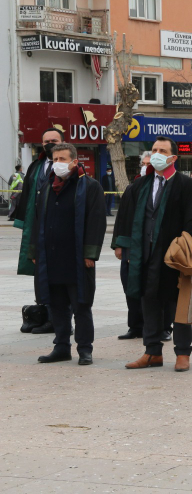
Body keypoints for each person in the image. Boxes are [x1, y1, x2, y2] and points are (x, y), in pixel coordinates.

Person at [115, 137, 192, 372]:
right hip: (145, 254)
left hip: (174, 256)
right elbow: (127, 215)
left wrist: (191, 249)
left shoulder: (184, 184)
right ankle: (152, 352)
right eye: (154, 150)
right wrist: (122, 245)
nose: (156, 154)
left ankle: (182, 353)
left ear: (173, 157)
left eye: (162, 151)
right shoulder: (140, 185)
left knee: (178, 305)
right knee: (149, 302)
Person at [31, 143, 106, 364]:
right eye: (55, 159)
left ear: (74, 161)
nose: (58, 164)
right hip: (51, 257)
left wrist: (90, 253)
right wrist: (34, 250)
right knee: (56, 306)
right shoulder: (46, 186)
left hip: (76, 258)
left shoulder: (90, 187)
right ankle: (61, 347)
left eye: (63, 159)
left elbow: (97, 222)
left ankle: (85, 349)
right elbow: (36, 221)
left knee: (81, 305)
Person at [11, 128, 67, 335]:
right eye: (46, 141)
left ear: (63, 141)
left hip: (59, 227)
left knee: (59, 275)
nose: (49, 143)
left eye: (54, 140)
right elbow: (27, 193)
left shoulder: (68, 166)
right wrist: (23, 222)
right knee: (40, 273)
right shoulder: (36, 165)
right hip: (38, 227)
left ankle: (60, 320)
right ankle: (47, 316)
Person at [114, 152, 153, 340]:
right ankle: (135, 326)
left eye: (149, 163)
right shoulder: (133, 188)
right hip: (131, 247)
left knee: (154, 290)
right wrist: (119, 245)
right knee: (130, 286)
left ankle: (160, 327)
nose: (145, 167)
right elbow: (122, 217)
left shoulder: (164, 187)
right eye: (143, 163)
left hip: (153, 248)